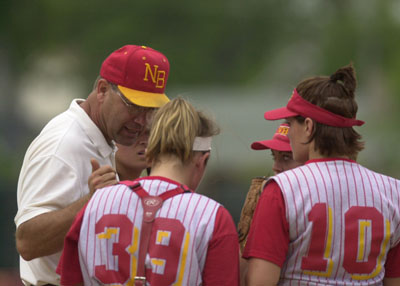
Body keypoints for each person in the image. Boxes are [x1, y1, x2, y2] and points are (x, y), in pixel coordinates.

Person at [15, 44, 171, 286]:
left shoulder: (96, 137)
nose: (143, 121)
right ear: (102, 90)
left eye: (151, 109)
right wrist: (91, 202)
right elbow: (28, 242)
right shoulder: (64, 144)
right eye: (134, 105)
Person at [243, 64, 400, 286]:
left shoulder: (282, 189)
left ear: (308, 126)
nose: (288, 133)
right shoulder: (394, 192)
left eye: (290, 123)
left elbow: (260, 282)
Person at [56, 97, 240, 286]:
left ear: (150, 154)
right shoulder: (213, 216)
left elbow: (69, 280)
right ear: (202, 160)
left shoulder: (96, 201)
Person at [237, 123, 303, 285]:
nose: (275, 166)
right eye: (274, 157)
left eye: (286, 158)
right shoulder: (266, 194)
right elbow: (241, 273)